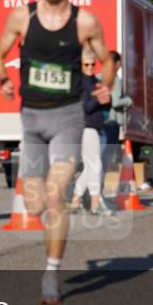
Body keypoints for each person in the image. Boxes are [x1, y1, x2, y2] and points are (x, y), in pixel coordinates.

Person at [0, 0, 112, 305]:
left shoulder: (84, 22)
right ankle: (48, 232)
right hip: (30, 119)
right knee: (33, 205)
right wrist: (2, 81)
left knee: (56, 194)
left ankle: (51, 272)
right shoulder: (22, 17)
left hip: (68, 118)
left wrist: (106, 84)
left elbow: (107, 60)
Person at [69, 50, 112, 216]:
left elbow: (105, 106)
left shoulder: (95, 81)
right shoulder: (79, 82)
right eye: (86, 64)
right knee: (95, 164)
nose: (90, 67)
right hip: (85, 126)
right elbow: (86, 107)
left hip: (95, 125)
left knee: (90, 166)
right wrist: (99, 97)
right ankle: (95, 204)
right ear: (80, 65)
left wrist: (107, 98)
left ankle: (75, 200)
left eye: (92, 64)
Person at [100, 50, 132, 175]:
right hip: (111, 122)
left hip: (98, 122)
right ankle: (97, 191)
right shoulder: (116, 80)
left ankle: (93, 190)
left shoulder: (98, 77)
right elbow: (115, 102)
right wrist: (128, 101)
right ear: (117, 63)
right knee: (106, 157)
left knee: (97, 157)